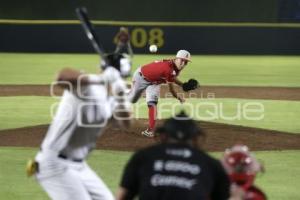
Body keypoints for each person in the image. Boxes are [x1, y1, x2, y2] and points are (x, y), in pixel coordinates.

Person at [28, 53, 132, 200]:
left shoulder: (113, 98)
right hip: (53, 163)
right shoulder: (87, 86)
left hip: (79, 165)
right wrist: (101, 79)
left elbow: (125, 123)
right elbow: (61, 77)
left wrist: (121, 97)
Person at [116, 111, 230, 200]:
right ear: (195, 138)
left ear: (164, 135)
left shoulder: (143, 157)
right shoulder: (210, 164)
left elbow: (122, 197)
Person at [128, 50, 198, 137]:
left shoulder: (175, 67)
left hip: (155, 82)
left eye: (186, 62)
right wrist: (179, 97)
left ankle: (150, 130)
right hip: (141, 77)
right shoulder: (168, 69)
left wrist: (183, 85)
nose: (183, 64)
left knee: (152, 103)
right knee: (132, 100)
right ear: (176, 59)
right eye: (182, 60)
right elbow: (171, 90)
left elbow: (172, 77)